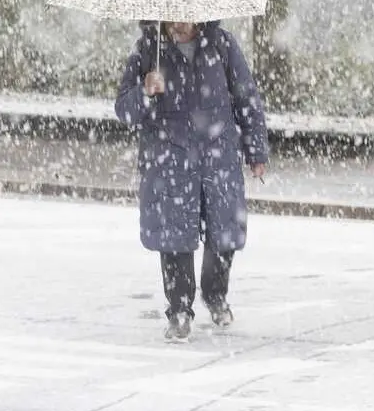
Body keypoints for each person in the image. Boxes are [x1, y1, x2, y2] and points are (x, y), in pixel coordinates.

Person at [114, 20, 268, 343]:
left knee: (224, 234)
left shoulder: (222, 46)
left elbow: (246, 99)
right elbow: (124, 110)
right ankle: (180, 309)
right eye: (174, 13)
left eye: (188, 14)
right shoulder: (148, 51)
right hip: (170, 160)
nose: (181, 21)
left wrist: (256, 151)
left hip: (218, 158)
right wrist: (145, 91)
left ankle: (214, 294)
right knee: (174, 240)